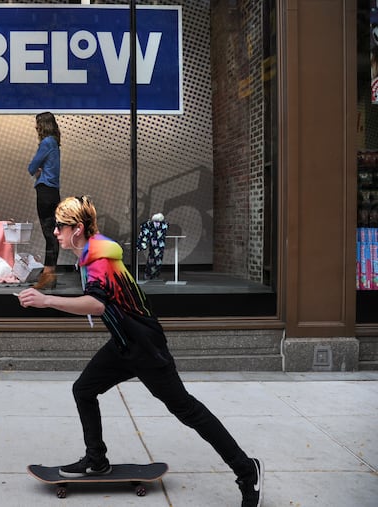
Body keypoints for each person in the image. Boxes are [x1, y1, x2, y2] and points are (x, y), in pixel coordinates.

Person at [16, 195, 263, 507]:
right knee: (84, 389)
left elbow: (97, 303)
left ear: (77, 229)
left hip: (146, 348)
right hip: (124, 344)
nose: (55, 232)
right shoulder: (91, 252)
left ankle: (246, 470)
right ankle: (96, 459)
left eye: (60, 227)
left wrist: (47, 300)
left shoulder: (100, 259)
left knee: (187, 410)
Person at [27, 112, 61, 289]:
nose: (36, 127)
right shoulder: (54, 143)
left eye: (38, 124)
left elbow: (32, 167)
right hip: (53, 192)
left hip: (45, 192)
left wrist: (37, 170)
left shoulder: (47, 142)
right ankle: (50, 273)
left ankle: (48, 274)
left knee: (49, 234)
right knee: (53, 234)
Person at [137, 212, 169, 280]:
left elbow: (166, 226)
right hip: (154, 245)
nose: (157, 222)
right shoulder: (149, 224)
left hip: (160, 246)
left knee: (158, 261)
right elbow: (144, 229)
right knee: (151, 260)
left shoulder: (164, 225)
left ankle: (155, 275)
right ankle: (148, 274)